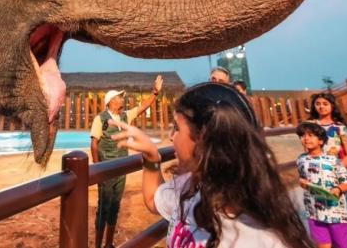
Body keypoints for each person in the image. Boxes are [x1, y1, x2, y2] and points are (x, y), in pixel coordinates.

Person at [109, 82, 312, 248]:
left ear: (203, 139)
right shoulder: (194, 185)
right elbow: (154, 200)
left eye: (177, 129)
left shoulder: (261, 240)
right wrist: (152, 158)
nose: (171, 138)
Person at [90, 75, 163, 248]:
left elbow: (143, 107)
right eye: (119, 97)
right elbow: (94, 144)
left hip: (121, 170)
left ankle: (108, 244)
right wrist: (98, 169)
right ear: (111, 101)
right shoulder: (100, 119)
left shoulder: (125, 116)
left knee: (115, 206)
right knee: (103, 208)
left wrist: (155, 93)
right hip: (106, 171)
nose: (122, 98)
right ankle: (97, 246)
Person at [308, 92, 347, 248]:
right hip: (319, 176)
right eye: (318, 103)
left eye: (325, 103)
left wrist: (336, 172)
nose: (321, 106)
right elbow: (308, 149)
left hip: (343, 175)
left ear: (332, 106)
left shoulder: (340, 127)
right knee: (324, 216)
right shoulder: (311, 126)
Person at [296, 122, 347, 248]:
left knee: (342, 245)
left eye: (310, 135)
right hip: (314, 212)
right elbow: (303, 178)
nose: (306, 138)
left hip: (336, 213)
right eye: (303, 136)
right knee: (322, 245)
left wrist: (338, 189)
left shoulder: (333, 161)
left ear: (321, 141)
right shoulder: (300, 159)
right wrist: (302, 183)